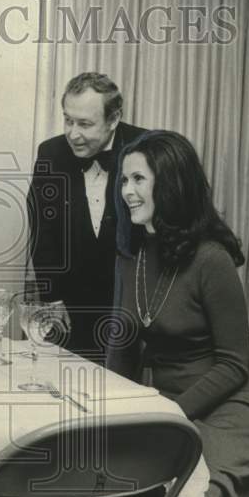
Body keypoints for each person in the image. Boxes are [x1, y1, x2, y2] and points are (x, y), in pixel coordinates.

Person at [106, 130, 249, 497]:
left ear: (170, 184)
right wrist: (107, 408)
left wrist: (170, 414)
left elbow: (234, 363)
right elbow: (123, 345)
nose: (126, 191)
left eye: (138, 179)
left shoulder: (210, 259)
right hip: (170, 401)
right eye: (123, 179)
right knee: (110, 479)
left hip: (232, 404)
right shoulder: (131, 255)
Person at [26, 72, 145, 359]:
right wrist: (53, 298)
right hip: (69, 307)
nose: (73, 133)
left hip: (132, 306)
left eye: (85, 124)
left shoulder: (146, 148)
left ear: (113, 119)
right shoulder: (51, 153)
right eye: (68, 120)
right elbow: (42, 232)